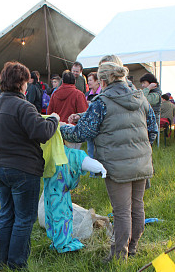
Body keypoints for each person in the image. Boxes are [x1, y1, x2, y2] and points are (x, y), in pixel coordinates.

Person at [60, 59, 154, 261]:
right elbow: (152, 130)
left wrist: (60, 128)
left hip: (116, 164)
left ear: (102, 81)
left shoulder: (101, 103)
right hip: (142, 161)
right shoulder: (140, 98)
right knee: (137, 207)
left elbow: (81, 134)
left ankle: (119, 256)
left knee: (121, 212)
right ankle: (133, 247)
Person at [0, 61, 59, 271]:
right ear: (21, 83)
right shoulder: (23, 106)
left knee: (7, 214)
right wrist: (54, 120)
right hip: (23, 169)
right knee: (24, 218)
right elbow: (42, 132)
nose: (28, 85)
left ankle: (3, 263)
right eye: (26, 81)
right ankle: (17, 265)